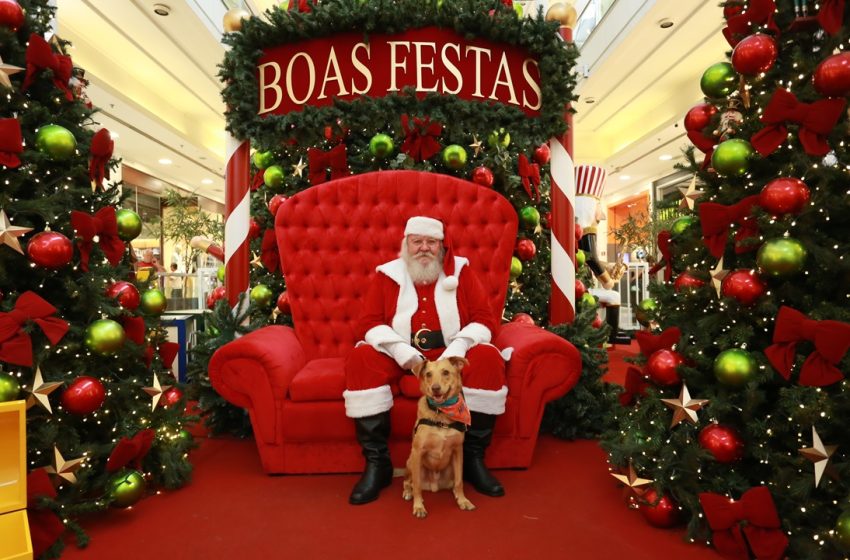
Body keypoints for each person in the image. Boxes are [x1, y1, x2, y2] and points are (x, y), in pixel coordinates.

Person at [343, 216, 507, 505]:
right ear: (406, 243)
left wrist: (456, 349)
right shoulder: (388, 275)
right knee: (360, 358)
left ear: (441, 245)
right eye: (417, 241)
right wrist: (404, 353)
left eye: (431, 242)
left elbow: (485, 320)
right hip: (401, 352)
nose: (424, 248)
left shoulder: (461, 272)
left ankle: (473, 459)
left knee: (489, 358)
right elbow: (368, 323)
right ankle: (377, 464)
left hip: (450, 352)